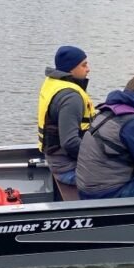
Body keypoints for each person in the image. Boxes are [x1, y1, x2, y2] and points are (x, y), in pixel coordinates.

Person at [37, 45, 95, 186]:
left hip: (58, 162)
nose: (88, 69)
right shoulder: (71, 98)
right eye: (84, 65)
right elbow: (70, 142)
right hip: (69, 169)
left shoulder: (54, 84)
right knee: (128, 175)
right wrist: (99, 157)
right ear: (71, 69)